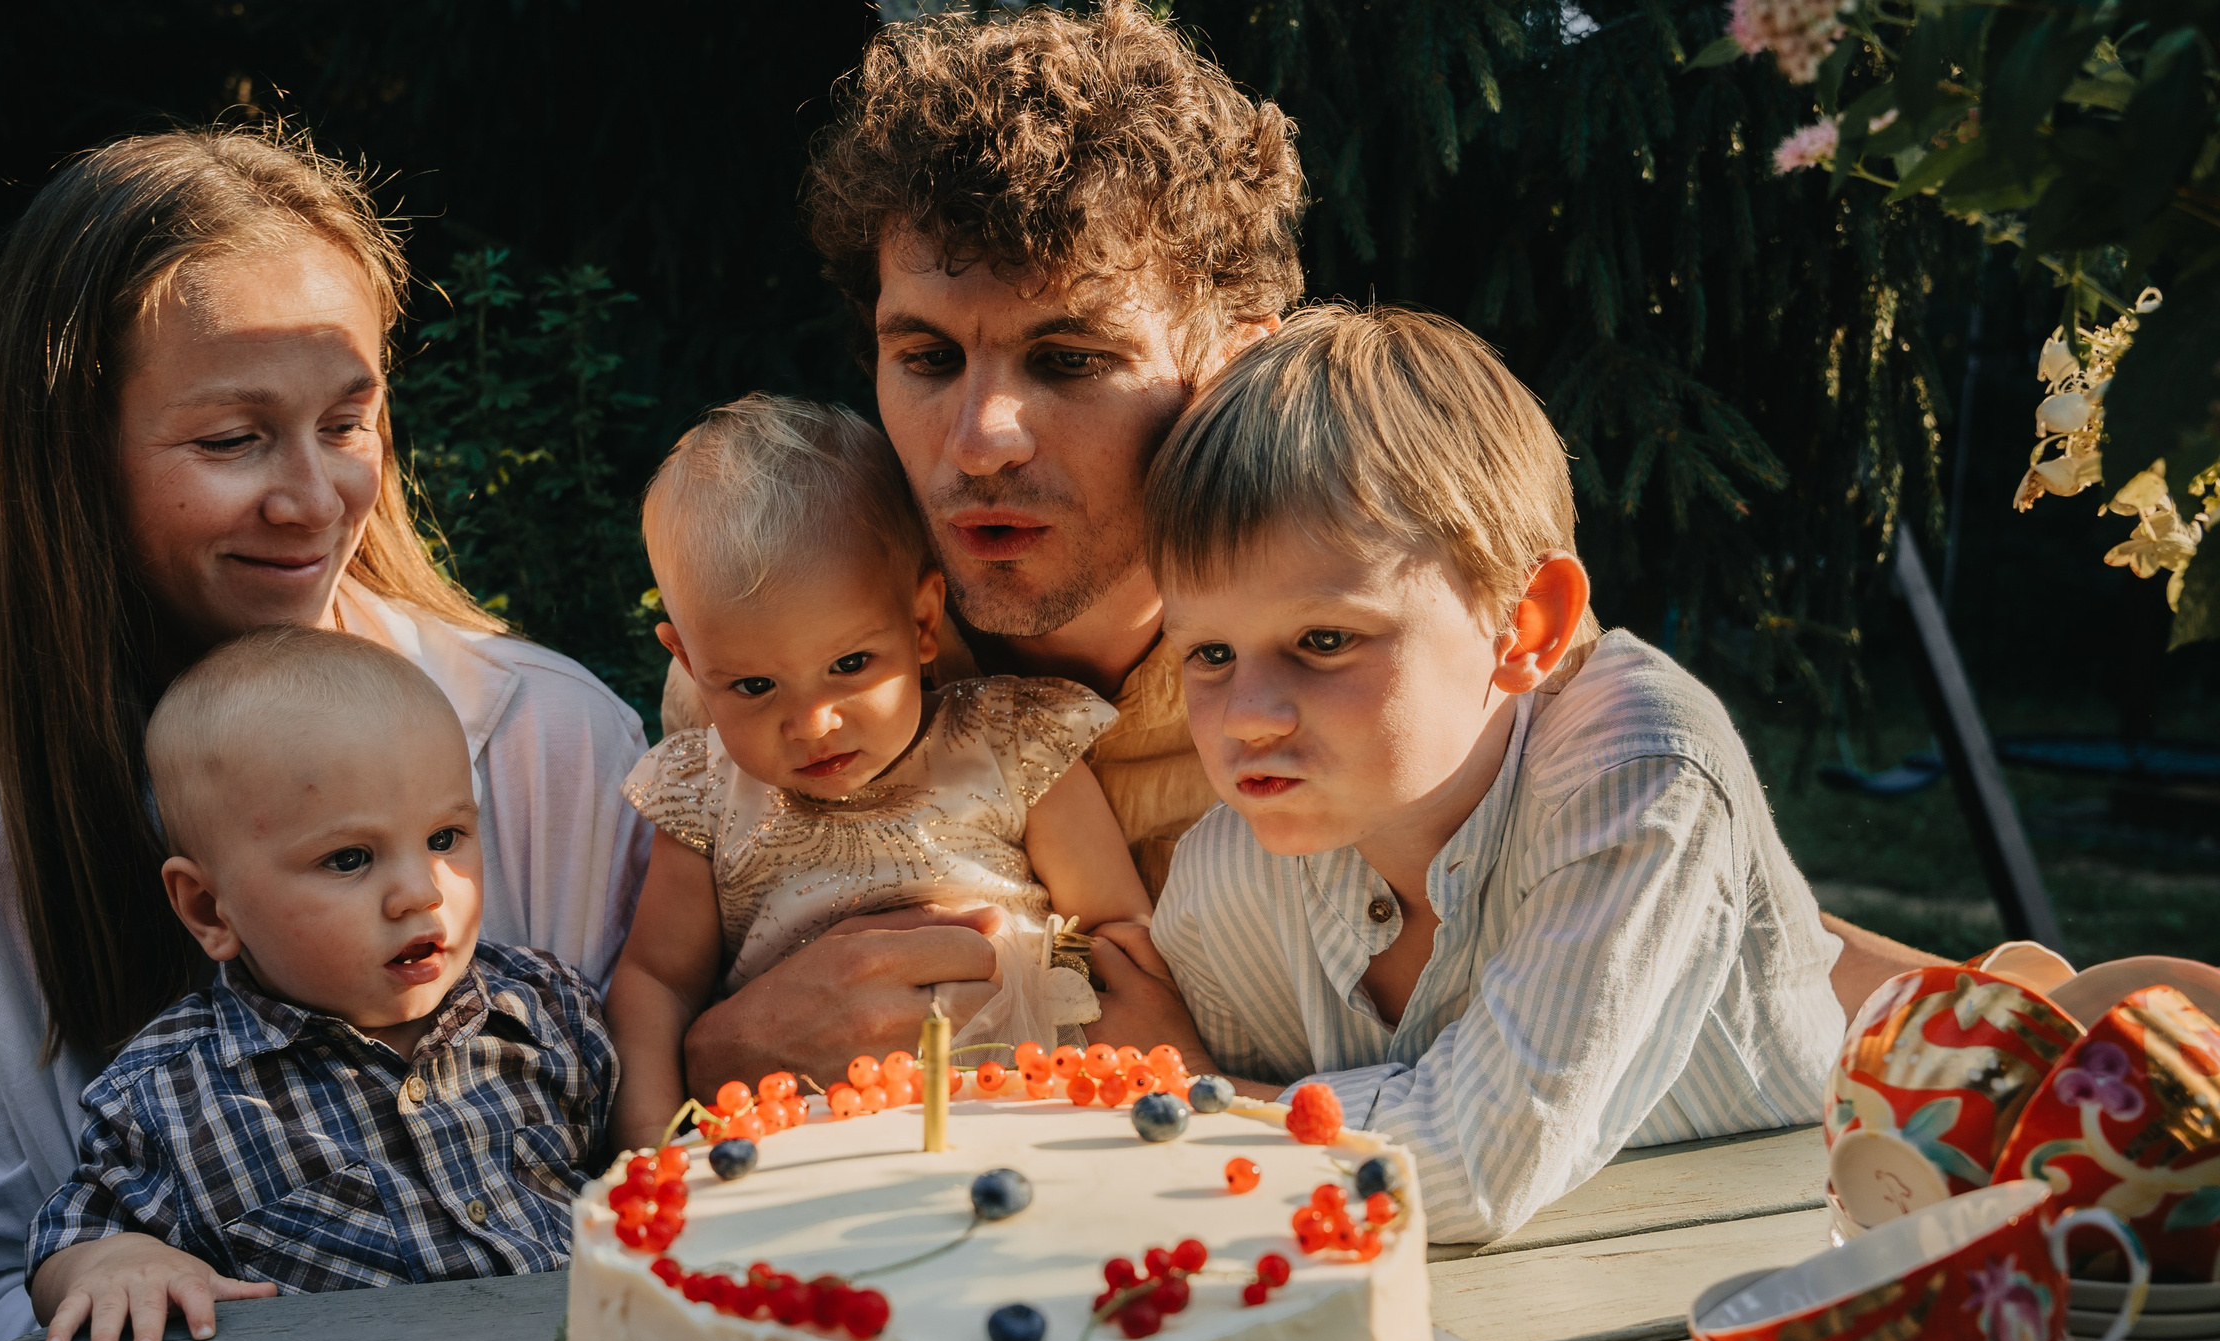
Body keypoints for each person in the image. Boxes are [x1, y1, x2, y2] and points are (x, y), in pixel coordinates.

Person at [679, 0, 1926, 1095]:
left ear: (1231, 360)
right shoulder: (781, 653)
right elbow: (623, 996)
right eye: (927, 357)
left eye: (1068, 360)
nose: (981, 436)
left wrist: (2029, 1013)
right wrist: (719, 1048)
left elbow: (1671, 919)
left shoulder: (1379, 628)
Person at [0, 127, 650, 1341]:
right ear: (74, 459)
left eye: (347, 422)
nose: (311, 500)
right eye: (231, 441)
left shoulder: (555, 741)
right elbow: (10, 1284)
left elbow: (652, 1158)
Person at [1138, 305, 1845, 1243]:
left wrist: (1197, 1100)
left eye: (1323, 639)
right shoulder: (1222, 891)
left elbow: (1470, 1167)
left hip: (1788, 1278)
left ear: (1527, 626)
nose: (1247, 716)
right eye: (1210, 653)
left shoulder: (1640, 768)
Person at [29, 628, 613, 1341]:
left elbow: (648, 1167)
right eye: (349, 858)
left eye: (445, 837)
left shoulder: (544, 1007)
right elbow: (69, 1237)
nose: (420, 892)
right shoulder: (171, 1097)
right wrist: (115, 1266)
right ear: (211, 909)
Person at [608, 396, 1149, 1147]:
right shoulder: (705, 795)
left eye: (850, 665)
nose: (813, 723)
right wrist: (651, 1145)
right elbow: (654, 983)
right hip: (802, 1141)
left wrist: (1143, 1088)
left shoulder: (1010, 742)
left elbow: (1119, 930)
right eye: (754, 686)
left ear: (923, 622)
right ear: (690, 663)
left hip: (1030, 1113)